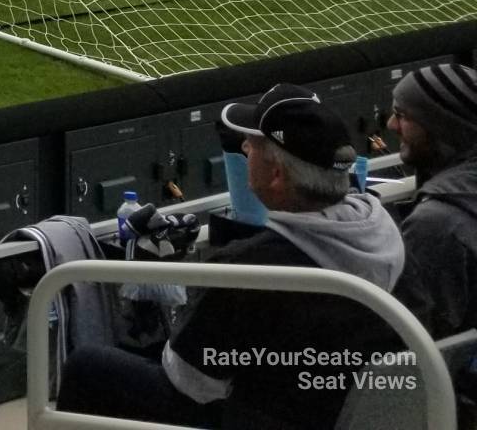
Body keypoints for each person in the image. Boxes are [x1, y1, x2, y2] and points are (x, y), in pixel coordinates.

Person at [54, 85, 405, 428]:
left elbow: (189, 383)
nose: (244, 150)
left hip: (268, 415)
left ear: (278, 175)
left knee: (87, 367)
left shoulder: (247, 270)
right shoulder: (386, 231)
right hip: (347, 406)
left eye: (251, 147)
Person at [388, 61, 477, 345]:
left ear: (440, 126)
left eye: (401, 115)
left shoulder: (437, 222)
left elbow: (419, 340)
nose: (391, 125)